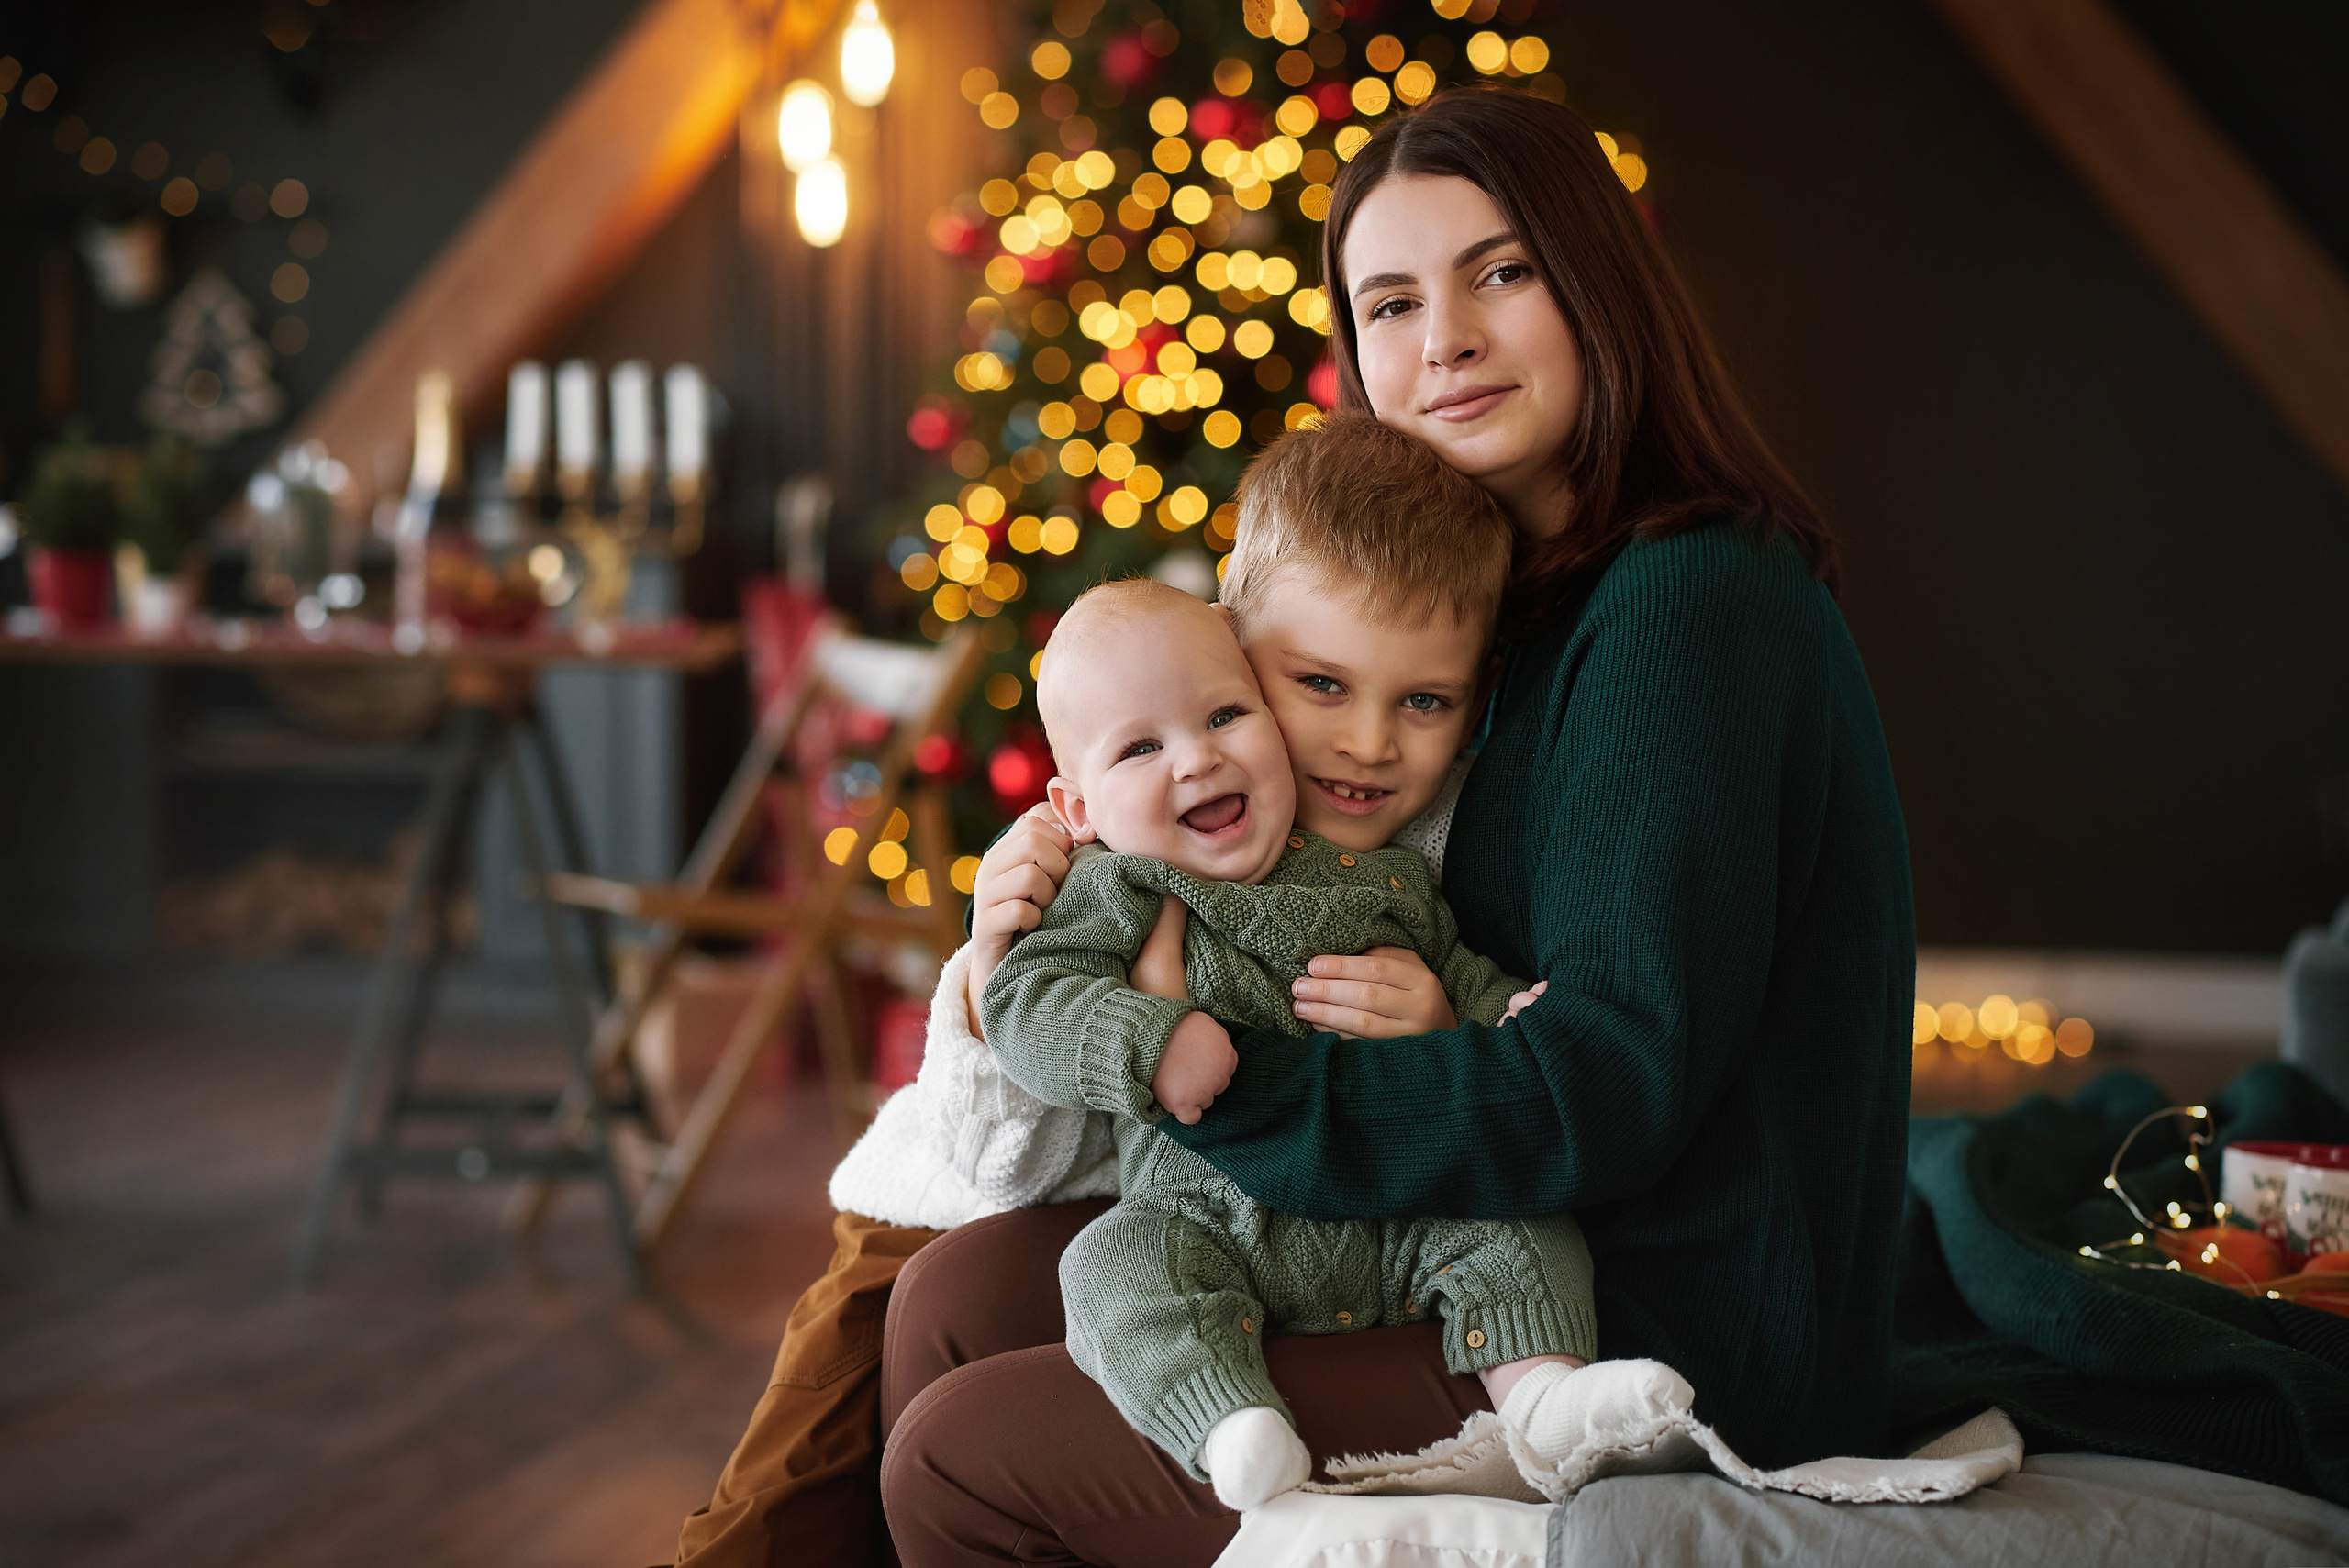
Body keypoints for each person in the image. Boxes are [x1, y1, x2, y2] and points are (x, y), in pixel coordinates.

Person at [875, 84, 1912, 1567]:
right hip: (1483, 1242)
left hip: (1655, 1324)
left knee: (963, 1462)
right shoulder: (1514, 604)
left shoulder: (1691, 603)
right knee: (947, 1297)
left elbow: (1609, 1080)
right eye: (1390, 302)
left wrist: (1212, 1075)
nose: (1447, 341)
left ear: (1600, 282)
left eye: (1500, 271)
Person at [983, 512, 1671, 1507]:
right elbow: (1026, 1000)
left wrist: (1494, 1016)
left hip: (1398, 1213)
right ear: (1077, 808)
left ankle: (1543, 1401)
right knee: (1108, 1264)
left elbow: (1456, 961)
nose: (1196, 760)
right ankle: (1227, 1422)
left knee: (1524, 1224)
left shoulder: (1378, 872)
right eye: (1141, 747)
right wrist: (1143, 1037)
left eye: (1224, 717)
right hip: (1202, 1220)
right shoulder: (1108, 890)